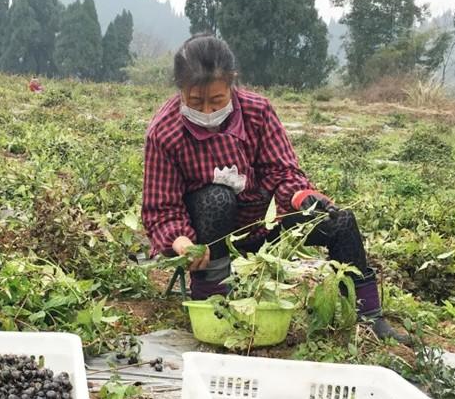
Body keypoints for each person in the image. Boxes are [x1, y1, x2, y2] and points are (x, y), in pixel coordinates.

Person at [141, 34, 409, 343]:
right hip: (209, 236)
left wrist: (303, 196)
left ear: (232, 83)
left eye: (216, 100)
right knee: (217, 198)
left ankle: (368, 316)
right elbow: (161, 209)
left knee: (339, 221)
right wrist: (182, 244)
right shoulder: (164, 132)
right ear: (180, 89)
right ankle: (214, 301)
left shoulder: (258, 112)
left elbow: (281, 171)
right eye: (195, 101)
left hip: (265, 226)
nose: (207, 111)